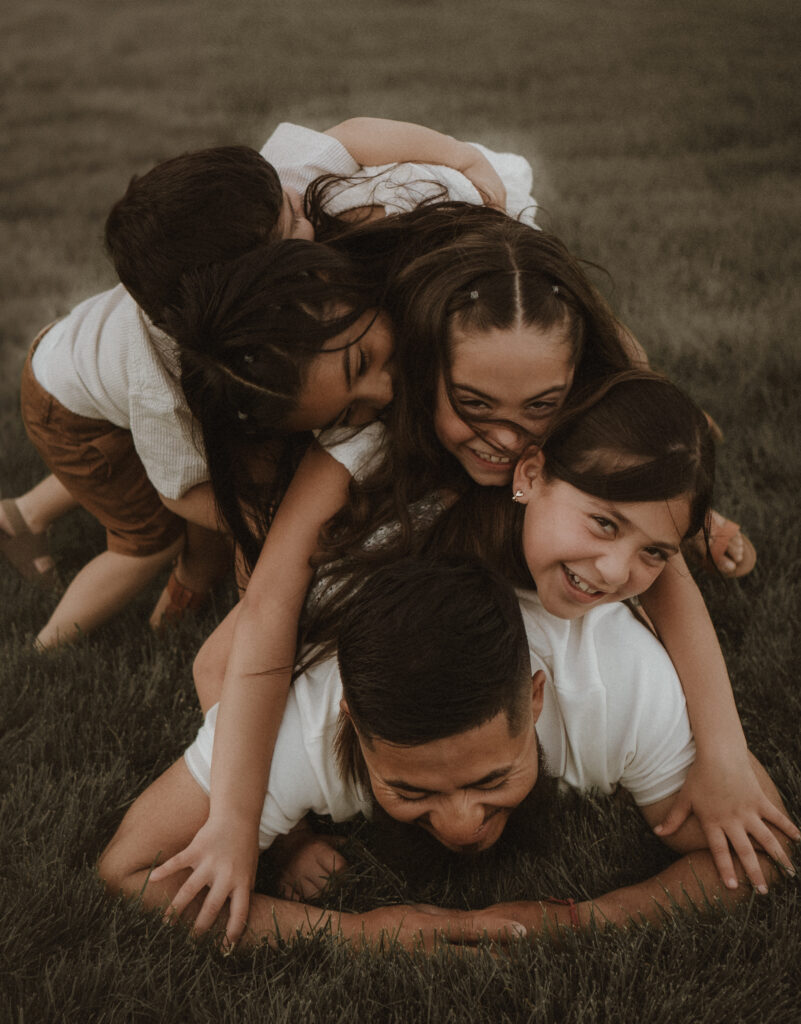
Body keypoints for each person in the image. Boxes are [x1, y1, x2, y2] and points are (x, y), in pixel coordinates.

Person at [177, 205, 767, 944]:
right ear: (427, 377)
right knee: (219, 666)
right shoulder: (367, 447)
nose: (504, 436)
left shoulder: (581, 416)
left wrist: (724, 754)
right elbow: (268, 606)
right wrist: (242, 826)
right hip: (372, 551)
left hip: (486, 551)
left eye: (540, 408)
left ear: (572, 389)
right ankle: (283, 823)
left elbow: (664, 566)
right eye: (474, 404)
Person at [97, 555, 795, 951]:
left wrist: (590, 917)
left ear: (535, 700)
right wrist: (366, 932)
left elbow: (757, 853)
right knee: (218, 668)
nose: (462, 824)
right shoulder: (295, 723)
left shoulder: (617, 680)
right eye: (413, 791)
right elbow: (131, 870)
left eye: (492, 778)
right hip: (342, 559)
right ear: (352, 723)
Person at [1, 117, 512, 643]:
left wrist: (462, 156)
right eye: (291, 233)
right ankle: (52, 643)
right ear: (234, 292)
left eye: (291, 210)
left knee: (125, 459)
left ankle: (21, 516)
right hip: (65, 408)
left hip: (73, 352)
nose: (307, 219)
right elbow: (178, 489)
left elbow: (352, 134)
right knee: (148, 537)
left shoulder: (270, 192)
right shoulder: (167, 378)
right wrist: (271, 526)